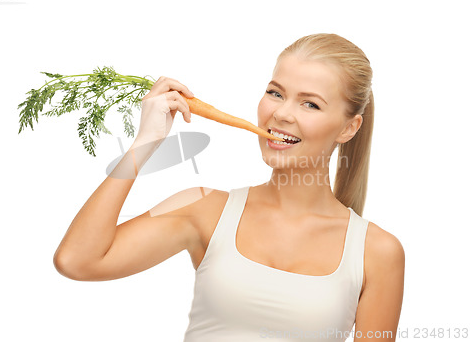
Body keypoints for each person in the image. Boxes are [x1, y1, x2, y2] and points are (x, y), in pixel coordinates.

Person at [53, 33, 405, 341]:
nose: (281, 113)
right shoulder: (203, 208)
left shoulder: (376, 252)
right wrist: (144, 143)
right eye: (275, 93)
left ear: (348, 128)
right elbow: (77, 261)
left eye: (310, 103)